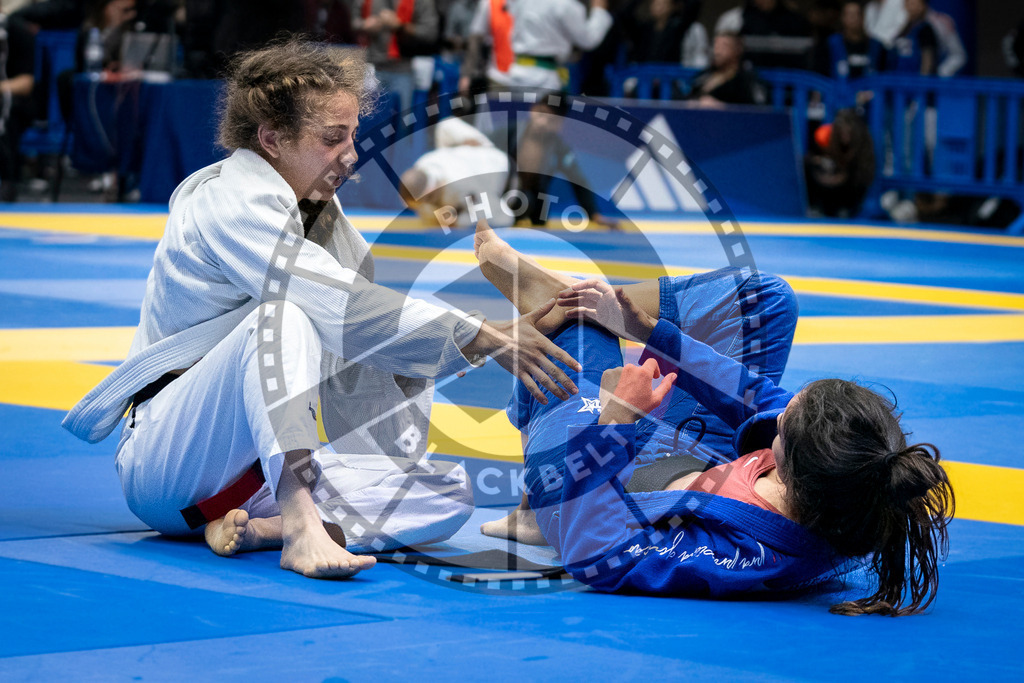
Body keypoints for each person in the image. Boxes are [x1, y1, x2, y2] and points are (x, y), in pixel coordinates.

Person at [62, 39, 582, 580]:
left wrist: (490, 338)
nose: (352, 155)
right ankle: (303, 525)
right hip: (171, 464)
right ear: (272, 138)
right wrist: (484, 336)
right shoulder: (226, 203)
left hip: (251, 483)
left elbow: (375, 346)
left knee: (446, 491)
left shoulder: (325, 221)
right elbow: (336, 304)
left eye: (353, 134)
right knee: (284, 314)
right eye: (333, 138)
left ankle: (264, 529)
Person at [474, 223, 954, 615]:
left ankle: (533, 507)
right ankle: (583, 301)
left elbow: (598, 555)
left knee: (579, 336)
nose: (779, 408)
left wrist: (618, 419)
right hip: (682, 463)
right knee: (767, 299)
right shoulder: (851, 478)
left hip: (584, 493)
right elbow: (757, 397)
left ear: (791, 468)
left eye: (784, 422)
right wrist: (644, 329)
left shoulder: (745, 555)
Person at [460, 0, 612, 93]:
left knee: (510, 132)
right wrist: (600, 10)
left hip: (517, 73)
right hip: (541, 78)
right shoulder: (565, 5)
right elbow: (588, 40)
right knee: (536, 133)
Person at [686, 33, 767, 107]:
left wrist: (721, 106)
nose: (717, 51)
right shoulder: (705, 74)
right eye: (716, 46)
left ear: (737, 50)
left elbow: (757, 110)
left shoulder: (745, 78)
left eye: (724, 46)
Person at [814, 0, 886, 80]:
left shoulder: (876, 46)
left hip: (870, 90)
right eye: (849, 14)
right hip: (838, 90)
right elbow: (820, 76)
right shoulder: (831, 44)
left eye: (857, 14)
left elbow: (885, 76)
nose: (853, 18)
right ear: (843, 18)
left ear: (863, 17)